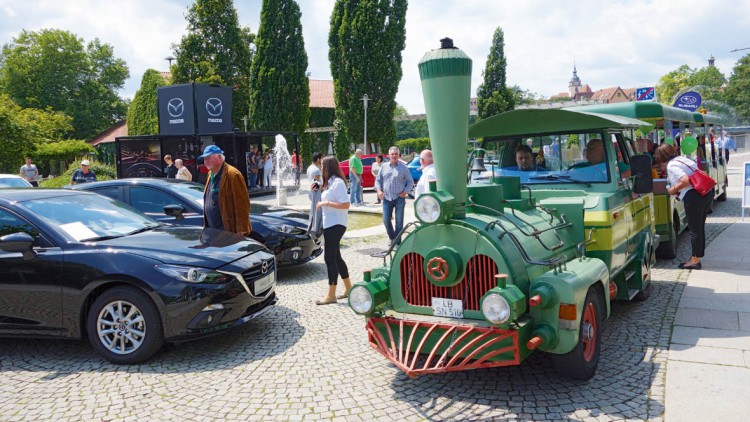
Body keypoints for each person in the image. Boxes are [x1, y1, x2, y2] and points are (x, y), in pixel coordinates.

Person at [654, 143, 713, 270]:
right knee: (699, 227)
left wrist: (672, 190)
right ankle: (697, 257)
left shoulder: (671, 165)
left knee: (694, 229)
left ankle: (695, 260)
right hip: (705, 192)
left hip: (693, 196)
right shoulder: (682, 159)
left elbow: (685, 180)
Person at [313, 155, 352, 305]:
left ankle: (331, 295)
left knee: (329, 258)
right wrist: (316, 190)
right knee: (336, 257)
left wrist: (326, 202)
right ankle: (348, 287)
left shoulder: (337, 183)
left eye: (322, 165)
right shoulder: (328, 183)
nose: (320, 167)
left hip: (336, 224)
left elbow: (346, 204)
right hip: (330, 224)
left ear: (328, 166)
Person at [200, 145, 252, 236]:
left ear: (219, 157)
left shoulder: (232, 174)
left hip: (228, 231)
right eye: (204, 159)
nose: (206, 161)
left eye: (208, 158)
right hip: (212, 231)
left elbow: (242, 204)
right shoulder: (210, 173)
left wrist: (241, 230)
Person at [375, 146, 413, 246]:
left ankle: (397, 242)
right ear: (389, 155)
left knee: (399, 222)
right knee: (386, 220)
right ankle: (392, 237)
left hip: (399, 198)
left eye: (396, 154)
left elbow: (410, 181)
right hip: (387, 198)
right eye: (392, 154)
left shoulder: (403, 167)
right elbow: (378, 180)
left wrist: (405, 192)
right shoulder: (384, 166)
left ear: (399, 155)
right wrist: (379, 191)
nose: (394, 155)